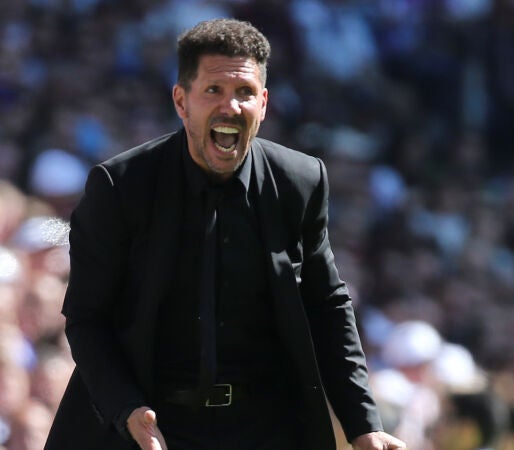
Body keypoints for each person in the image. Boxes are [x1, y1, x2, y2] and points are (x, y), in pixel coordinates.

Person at [45, 18, 405, 450]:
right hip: (150, 429)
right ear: (181, 101)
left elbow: (327, 306)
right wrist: (127, 410)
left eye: (245, 92)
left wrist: (363, 424)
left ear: (264, 104)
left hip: (266, 430)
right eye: (213, 90)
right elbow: (87, 318)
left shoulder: (300, 181)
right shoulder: (120, 187)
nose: (230, 106)